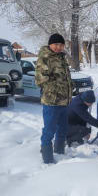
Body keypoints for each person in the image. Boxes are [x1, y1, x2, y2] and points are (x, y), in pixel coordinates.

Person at [35, 33, 73, 164]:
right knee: (49, 130)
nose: (59, 47)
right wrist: (59, 88)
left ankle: (59, 153)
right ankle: (47, 159)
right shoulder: (45, 57)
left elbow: (65, 78)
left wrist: (70, 87)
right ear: (50, 44)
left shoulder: (61, 58)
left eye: (61, 45)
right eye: (56, 44)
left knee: (62, 129)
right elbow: (40, 79)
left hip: (63, 102)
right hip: (51, 102)